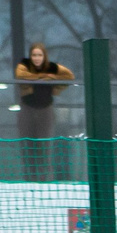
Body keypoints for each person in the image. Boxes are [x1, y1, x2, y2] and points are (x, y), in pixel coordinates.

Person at [13, 42, 70, 180]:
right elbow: (21, 75)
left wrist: (52, 79)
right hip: (27, 109)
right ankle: (29, 179)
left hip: (46, 110)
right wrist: (45, 76)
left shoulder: (52, 67)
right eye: (34, 55)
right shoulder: (24, 66)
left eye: (39, 55)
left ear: (44, 56)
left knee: (45, 148)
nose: (37, 58)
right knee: (27, 146)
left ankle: (46, 180)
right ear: (30, 56)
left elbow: (68, 76)